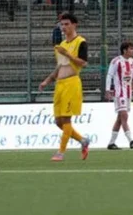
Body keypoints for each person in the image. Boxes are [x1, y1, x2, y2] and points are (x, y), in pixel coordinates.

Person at [38, 12, 90, 162]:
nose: (64, 27)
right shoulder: (61, 45)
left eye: (67, 24)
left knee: (66, 119)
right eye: (62, 24)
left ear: (74, 25)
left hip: (72, 83)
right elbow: (59, 67)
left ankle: (60, 152)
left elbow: (83, 63)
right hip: (59, 85)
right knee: (58, 121)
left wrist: (67, 54)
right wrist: (47, 81)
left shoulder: (80, 42)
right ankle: (82, 140)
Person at [106, 41, 133, 150]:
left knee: (120, 118)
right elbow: (109, 75)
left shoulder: (132, 61)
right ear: (125, 50)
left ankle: (111, 143)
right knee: (124, 115)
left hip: (128, 93)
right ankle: (131, 141)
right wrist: (108, 90)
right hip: (119, 93)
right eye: (131, 49)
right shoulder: (116, 61)